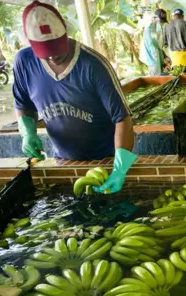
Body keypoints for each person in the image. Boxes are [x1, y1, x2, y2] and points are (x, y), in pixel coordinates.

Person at [14, 1, 136, 194]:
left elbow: (123, 118)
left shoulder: (93, 65)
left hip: (105, 159)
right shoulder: (24, 62)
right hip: (62, 160)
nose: (53, 57)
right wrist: (28, 133)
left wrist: (119, 169)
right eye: (45, 53)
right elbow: (23, 103)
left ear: (65, 33)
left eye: (56, 49)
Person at [139, 9, 170, 76]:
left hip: (156, 61)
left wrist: (165, 58)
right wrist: (162, 63)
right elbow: (153, 48)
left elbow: (159, 46)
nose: (162, 24)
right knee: (158, 81)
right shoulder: (151, 29)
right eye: (161, 22)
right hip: (154, 63)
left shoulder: (155, 27)